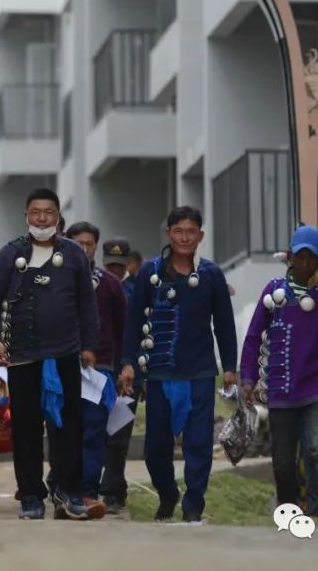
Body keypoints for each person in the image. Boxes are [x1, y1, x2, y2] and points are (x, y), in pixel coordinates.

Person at [0, 189, 99, 521]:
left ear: (59, 216)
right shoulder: (9, 255)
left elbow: (87, 307)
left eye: (49, 212)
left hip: (65, 354)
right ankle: (31, 495)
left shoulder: (75, 254)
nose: (42, 218)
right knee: (27, 428)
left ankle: (69, 490)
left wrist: (89, 345)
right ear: (26, 217)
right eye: (35, 212)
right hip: (22, 356)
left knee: (68, 426)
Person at [118, 206, 237, 524]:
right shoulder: (150, 274)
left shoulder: (211, 275)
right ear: (169, 234)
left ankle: (193, 503)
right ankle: (168, 493)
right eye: (178, 231)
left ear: (200, 235)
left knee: (198, 443)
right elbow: (133, 322)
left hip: (199, 372)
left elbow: (224, 324)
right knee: (155, 449)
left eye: (191, 232)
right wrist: (128, 363)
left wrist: (230, 366)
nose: (185, 238)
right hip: (159, 373)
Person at [240, 226, 318, 516]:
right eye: (298, 258)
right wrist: (248, 377)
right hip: (281, 391)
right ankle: (289, 511)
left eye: (310, 259)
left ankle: (315, 512)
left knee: (317, 453)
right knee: (283, 462)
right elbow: (254, 336)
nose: (303, 264)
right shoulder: (274, 293)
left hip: (317, 390)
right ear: (289, 257)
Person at [64, 222, 126, 519]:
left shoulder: (109, 283)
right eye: (77, 243)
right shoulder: (54, 278)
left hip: (98, 369)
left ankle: (88, 492)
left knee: (93, 432)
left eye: (89, 244)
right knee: (64, 432)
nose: (83, 249)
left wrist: (125, 366)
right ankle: (63, 490)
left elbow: (123, 328)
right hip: (61, 366)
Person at [98, 236, 138, 515]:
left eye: (120, 266)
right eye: (111, 265)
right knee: (95, 435)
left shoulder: (138, 291)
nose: (115, 271)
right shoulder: (93, 288)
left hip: (126, 376)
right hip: (98, 372)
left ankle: (113, 493)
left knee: (119, 439)